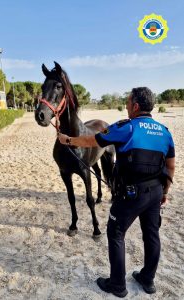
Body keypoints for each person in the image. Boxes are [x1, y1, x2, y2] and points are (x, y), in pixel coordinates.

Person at [58, 87, 175, 298]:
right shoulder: (164, 131)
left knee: (115, 232)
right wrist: (165, 192)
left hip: (131, 194)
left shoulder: (126, 127)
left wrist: (67, 140)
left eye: (129, 102)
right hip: (156, 191)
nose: (127, 106)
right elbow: (171, 166)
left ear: (136, 106)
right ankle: (148, 280)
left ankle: (118, 285)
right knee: (152, 234)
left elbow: (92, 140)